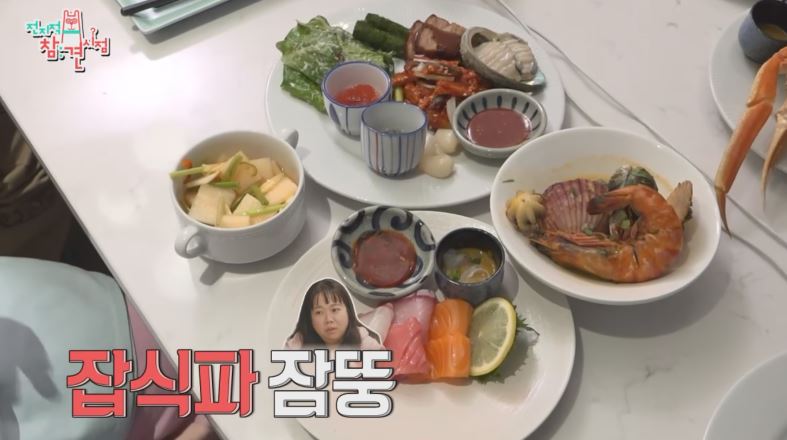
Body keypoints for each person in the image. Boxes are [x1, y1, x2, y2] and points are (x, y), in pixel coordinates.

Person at [286, 279, 384, 350]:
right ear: (309, 318)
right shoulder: (298, 345)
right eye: (319, 312)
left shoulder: (362, 340)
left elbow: (384, 363)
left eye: (334, 310)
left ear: (348, 311)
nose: (329, 319)